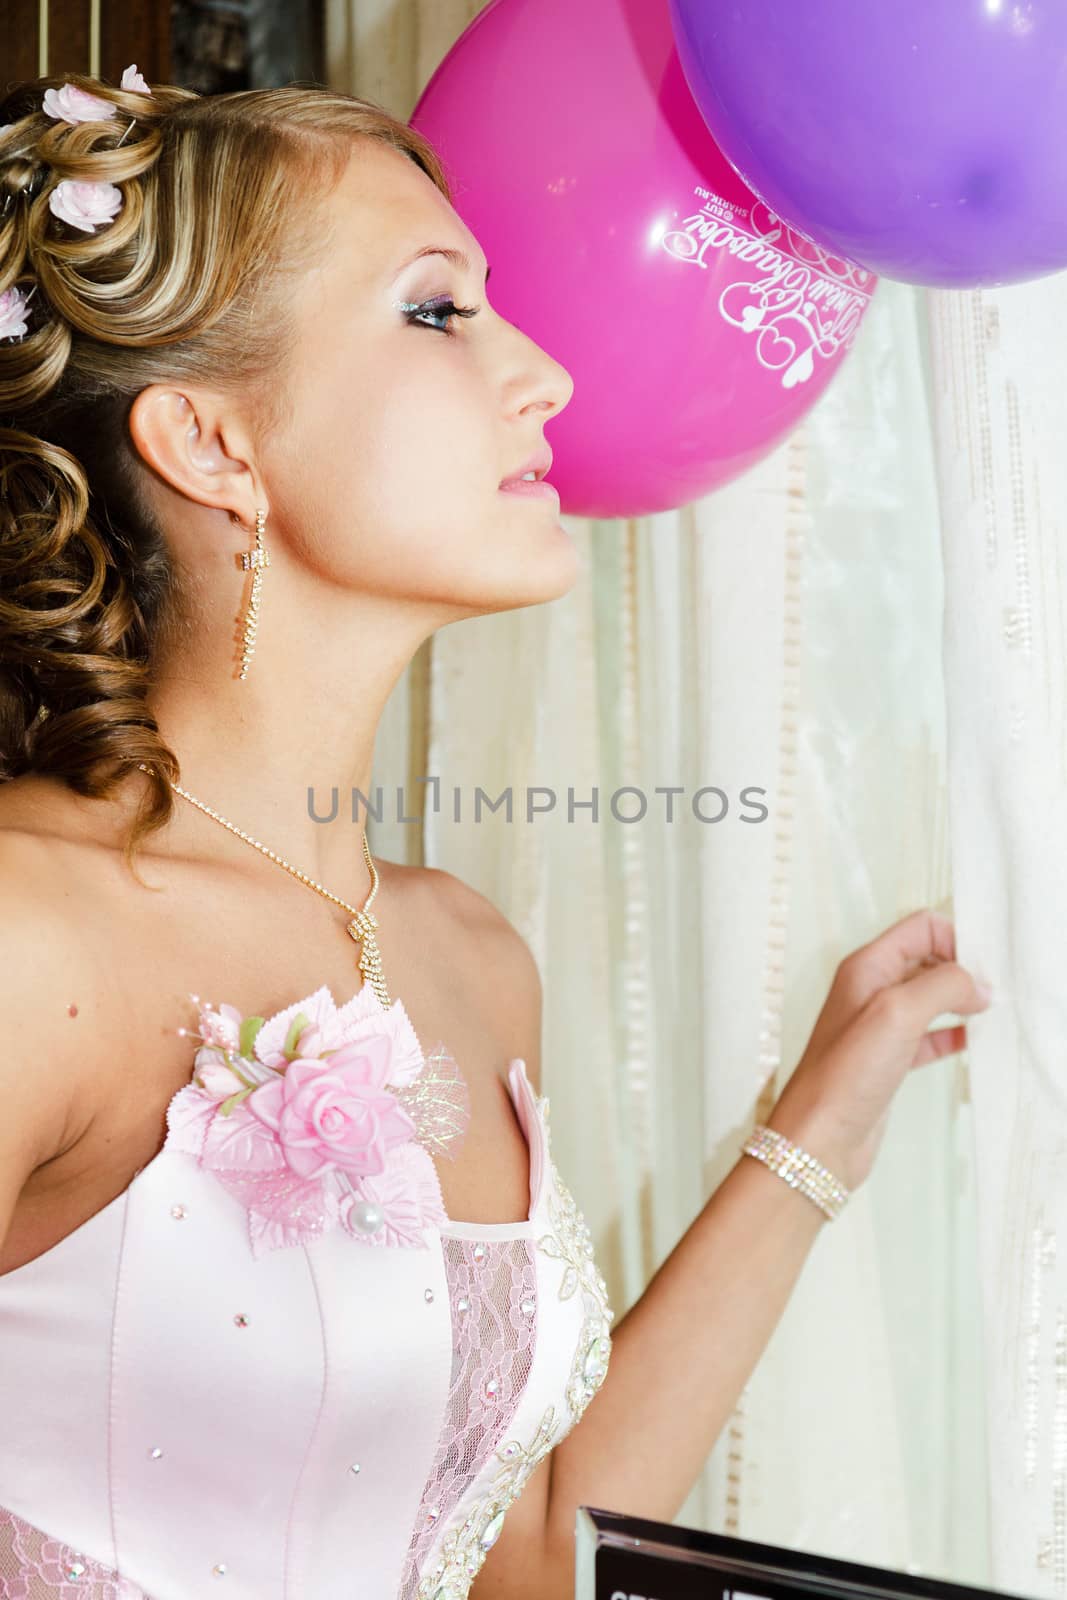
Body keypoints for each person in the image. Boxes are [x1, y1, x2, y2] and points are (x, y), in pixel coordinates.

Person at [0, 66, 992, 1600]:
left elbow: (523, 1558)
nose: (546, 377)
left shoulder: (467, 956)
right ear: (210, 445)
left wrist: (825, 1120)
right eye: (437, 311)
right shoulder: (27, 930)